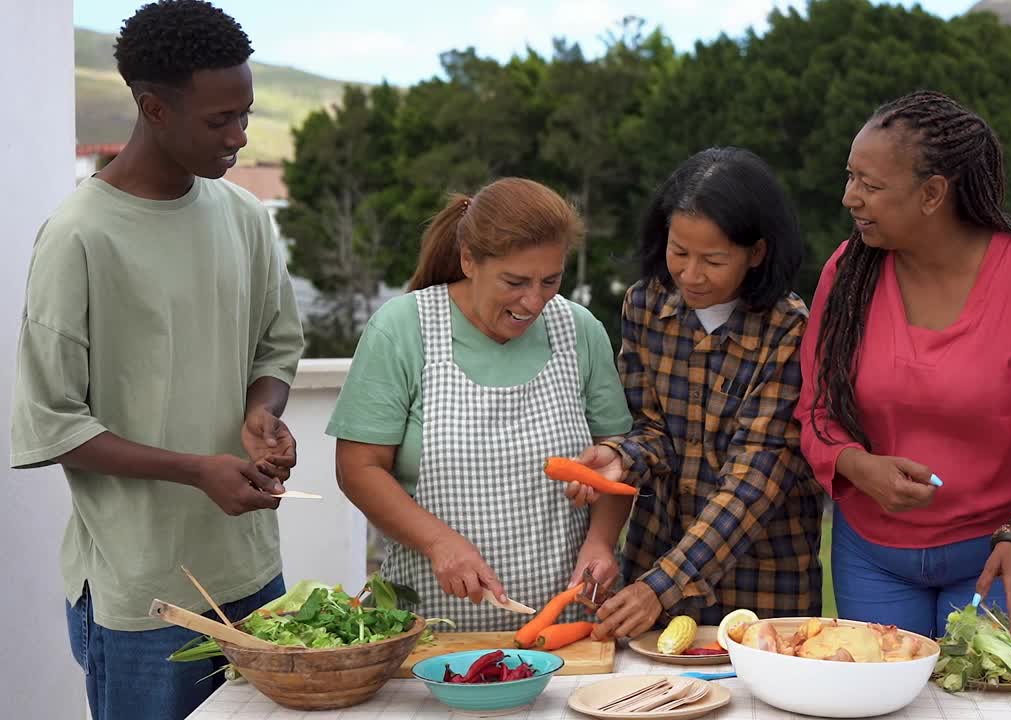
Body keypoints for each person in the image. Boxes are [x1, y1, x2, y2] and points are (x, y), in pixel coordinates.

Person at [8, 2, 305, 718]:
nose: (238, 136)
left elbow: (277, 344)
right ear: (152, 108)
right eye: (218, 121)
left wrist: (262, 412)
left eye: (245, 114)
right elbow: (52, 423)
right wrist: (196, 471)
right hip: (145, 598)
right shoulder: (79, 237)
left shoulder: (241, 216)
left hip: (254, 574)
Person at [796, 90, 1011, 642]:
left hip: (996, 556)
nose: (849, 197)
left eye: (870, 185)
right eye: (850, 177)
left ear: (933, 194)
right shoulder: (846, 274)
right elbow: (815, 409)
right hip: (871, 558)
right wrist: (856, 466)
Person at [328, 177, 633, 631]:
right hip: (429, 630)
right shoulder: (402, 329)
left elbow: (616, 450)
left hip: (564, 630)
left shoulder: (579, 330)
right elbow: (358, 468)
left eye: (550, 280)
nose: (534, 301)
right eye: (514, 281)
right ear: (469, 259)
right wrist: (438, 543)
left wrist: (602, 542)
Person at [565, 147, 824, 640]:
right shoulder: (644, 305)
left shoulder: (790, 330)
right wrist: (621, 458)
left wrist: (661, 585)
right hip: (655, 553)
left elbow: (756, 477)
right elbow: (654, 428)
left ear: (757, 253)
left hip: (763, 580)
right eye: (679, 251)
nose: (690, 274)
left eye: (713, 260)